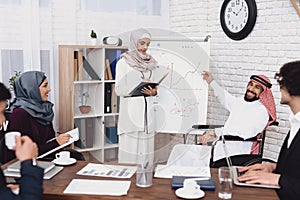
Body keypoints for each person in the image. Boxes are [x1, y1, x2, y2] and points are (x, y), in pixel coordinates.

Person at [238, 60, 300, 200]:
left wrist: (278, 179)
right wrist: (273, 168)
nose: (280, 88)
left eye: (282, 83)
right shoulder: (296, 122)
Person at [199, 71, 276, 162]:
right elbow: (224, 97)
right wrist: (211, 81)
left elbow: (245, 132)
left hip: (239, 156)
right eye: (250, 84)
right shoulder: (240, 102)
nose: (251, 89)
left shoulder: (262, 111)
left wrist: (215, 132)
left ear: (263, 92)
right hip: (221, 153)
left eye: (257, 87)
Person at [2, 71, 71, 163]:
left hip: (48, 159)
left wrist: (60, 142)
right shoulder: (19, 114)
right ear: (31, 89)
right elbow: (21, 152)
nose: (49, 89)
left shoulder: (45, 109)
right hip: (29, 165)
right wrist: (56, 143)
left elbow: (47, 141)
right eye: (45, 85)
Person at [115, 28, 159, 164]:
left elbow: (155, 88)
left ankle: (146, 182)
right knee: (130, 158)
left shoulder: (151, 64)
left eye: (147, 44)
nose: (145, 47)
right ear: (134, 43)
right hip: (131, 118)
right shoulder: (123, 63)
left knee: (146, 158)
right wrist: (136, 88)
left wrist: (154, 92)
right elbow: (118, 89)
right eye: (142, 43)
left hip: (148, 120)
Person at [0, 82, 43, 200]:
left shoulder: (46, 110)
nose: (3, 119)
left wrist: (4, 191)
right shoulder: (20, 113)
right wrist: (28, 162)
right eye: (0, 113)